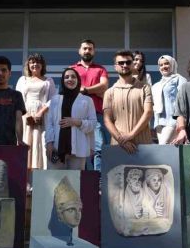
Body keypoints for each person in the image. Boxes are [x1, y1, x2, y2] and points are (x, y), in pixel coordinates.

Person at [45, 68, 97, 170]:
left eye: (73, 77)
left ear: (78, 80)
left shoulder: (87, 100)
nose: (70, 79)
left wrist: (77, 122)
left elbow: (93, 123)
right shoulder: (55, 99)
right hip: (56, 148)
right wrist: (49, 143)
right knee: (54, 179)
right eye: (66, 77)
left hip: (78, 149)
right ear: (62, 81)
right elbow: (49, 123)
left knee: (75, 180)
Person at [103, 50, 154, 154]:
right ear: (115, 66)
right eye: (121, 63)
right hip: (118, 146)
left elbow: (148, 112)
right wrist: (121, 140)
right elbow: (107, 120)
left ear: (132, 64)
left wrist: (131, 135)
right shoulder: (109, 92)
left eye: (128, 62)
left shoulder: (145, 88)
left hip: (143, 145)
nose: (125, 65)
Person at [71, 39, 109, 171]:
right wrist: (95, 91)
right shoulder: (72, 69)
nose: (87, 51)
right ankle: (82, 177)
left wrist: (85, 90)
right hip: (76, 114)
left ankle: (98, 178)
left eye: (90, 49)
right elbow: (70, 89)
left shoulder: (100, 69)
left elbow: (104, 86)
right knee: (78, 147)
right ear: (79, 51)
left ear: (94, 51)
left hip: (97, 113)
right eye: (85, 48)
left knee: (99, 146)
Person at [15, 53, 56, 169]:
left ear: (42, 65)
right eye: (32, 62)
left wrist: (40, 113)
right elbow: (18, 98)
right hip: (25, 116)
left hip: (42, 117)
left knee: (40, 142)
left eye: (38, 62)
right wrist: (27, 114)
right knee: (25, 140)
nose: (35, 64)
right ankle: (25, 175)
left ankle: (38, 173)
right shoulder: (22, 80)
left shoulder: (48, 80)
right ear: (28, 65)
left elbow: (53, 100)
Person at [151, 55, 187, 144]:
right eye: (161, 65)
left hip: (173, 120)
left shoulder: (179, 79)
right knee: (167, 148)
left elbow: (183, 101)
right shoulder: (157, 85)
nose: (164, 66)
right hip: (159, 122)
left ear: (172, 64)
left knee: (163, 146)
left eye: (166, 63)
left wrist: (182, 122)